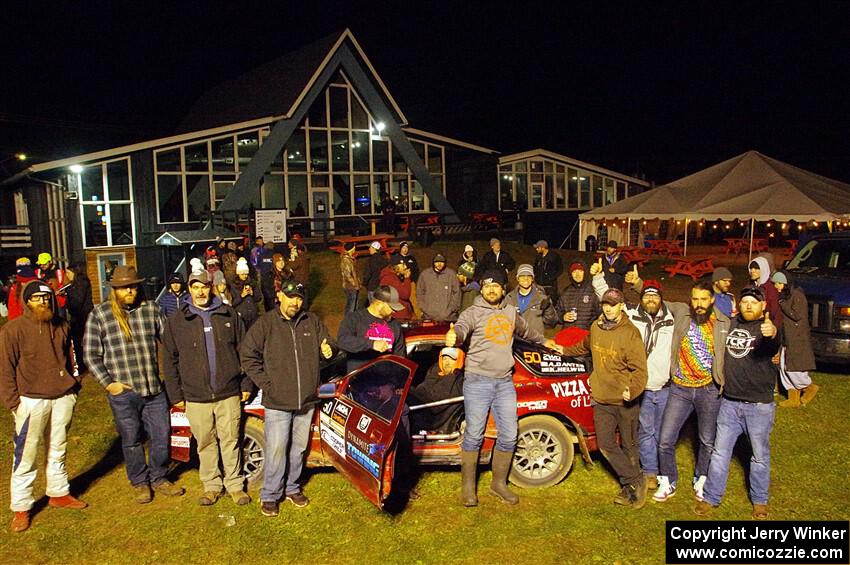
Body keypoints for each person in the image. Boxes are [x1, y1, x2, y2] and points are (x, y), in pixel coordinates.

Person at [447, 269, 563, 507]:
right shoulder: (472, 312)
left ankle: (498, 484)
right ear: (482, 289)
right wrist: (454, 335)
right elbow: (461, 328)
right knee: (474, 434)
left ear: (502, 290)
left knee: (509, 435)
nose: (491, 289)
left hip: (504, 383)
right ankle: (468, 488)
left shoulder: (511, 313)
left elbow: (527, 331)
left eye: (496, 286)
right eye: (487, 286)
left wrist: (545, 341)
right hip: (478, 380)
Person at [83, 265, 185, 503]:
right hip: (123, 392)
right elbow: (90, 354)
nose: (129, 290)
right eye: (124, 287)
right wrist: (109, 384)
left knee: (162, 435)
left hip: (153, 388)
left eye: (133, 286)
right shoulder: (100, 314)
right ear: (115, 289)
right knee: (131, 440)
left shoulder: (150, 309)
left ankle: (159, 476)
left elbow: (170, 342)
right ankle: (140, 481)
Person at [240, 280, 335, 516]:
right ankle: (270, 494)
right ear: (280, 296)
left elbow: (329, 347)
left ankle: (292, 487)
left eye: (300, 298)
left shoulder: (311, 321)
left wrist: (328, 351)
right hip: (278, 402)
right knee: (276, 449)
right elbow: (247, 355)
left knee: (299, 449)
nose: (295, 302)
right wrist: (267, 384)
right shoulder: (266, 323)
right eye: (291, 297)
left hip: (306, 401)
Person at [0, 281, 86, 533]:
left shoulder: (62, 325)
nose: (43, 302)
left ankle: (58, 492)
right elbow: (5, 369)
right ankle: (21, 506)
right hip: (31, 400)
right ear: (27, 301)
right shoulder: (13, 330)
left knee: (58, 447)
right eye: (37, 298)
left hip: (62, 396)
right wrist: (13, 402)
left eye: (47, 297)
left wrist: (74, 385)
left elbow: (74, 357)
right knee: (26, 455)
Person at [162, 271, 252, 507]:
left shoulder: (228, 314)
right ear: (189, 289)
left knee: (231, 440)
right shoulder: (177, 322)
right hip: (195, 396)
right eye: (195, 287)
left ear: (211, 287)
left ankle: (235, 485)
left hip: (228, 392)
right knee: (205, 443)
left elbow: (245, 352)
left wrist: (246, 384)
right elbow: (169, 361)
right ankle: (212, 485)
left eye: (204, 287)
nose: (200, 292)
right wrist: (175, 394)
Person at [559, 287, 650, 508]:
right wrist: (563, 350)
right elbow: (585, 345)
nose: (609, 309)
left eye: (613, 305)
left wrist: (633, 389)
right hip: (601, 398)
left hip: (624, 399)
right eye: (606, 304)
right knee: (606, 445)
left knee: (629, 445)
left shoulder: (630, 333)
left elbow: (640, 370)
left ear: (621, 306)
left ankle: (629, 487)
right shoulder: (596, 327)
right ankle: (636, 480)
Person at [695, 287, 779, 520]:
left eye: (754, 302)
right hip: (729, 403)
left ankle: (760, 501)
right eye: (745, 302)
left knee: (759, 455)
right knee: (720, 453)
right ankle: (712, 497)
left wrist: (771, 333)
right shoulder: (730, 324)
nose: (749, 305)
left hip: (759, 406)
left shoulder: (768, 329)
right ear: (738, 305)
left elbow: (773, 346)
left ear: (763, 306)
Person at [593, 268, 677, 492]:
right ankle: (649, 472)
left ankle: (663, 472)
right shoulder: (632, 314)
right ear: (641, 299)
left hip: (665, 385)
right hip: (642, 388)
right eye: (647, 296)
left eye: (655, 296)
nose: (651, 299)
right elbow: (610, 300)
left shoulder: (673, 317)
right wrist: (598, 276)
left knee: (664, 435)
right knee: (645, 432)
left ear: (661, 298)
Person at [653, 280, 730, 503]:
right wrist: (638, 283)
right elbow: (656, 300)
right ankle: (668, 480)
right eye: (695, 299)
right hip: (680, 388)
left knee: (707, 440)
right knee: (665, 439)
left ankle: (702, 478)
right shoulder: (682, 313)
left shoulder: (723, 322)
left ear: (712, 300)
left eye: (703, 299)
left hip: (709, 389)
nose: (698, 304)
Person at [771, 271, 818, 407]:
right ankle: (794, 398)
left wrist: (782, 303)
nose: (776, 286)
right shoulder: (786, 295)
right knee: (784, 367)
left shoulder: (797, 295)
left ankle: (808, 387)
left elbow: (796, 314)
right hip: (788, 338)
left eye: (779, 283)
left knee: (795, 368)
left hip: (797, 339)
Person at [337, 285, 407, 372]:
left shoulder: (395, 325)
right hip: (360, 381)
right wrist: (372, 344)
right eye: (392, 308)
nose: (394, 311)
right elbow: (342, 341)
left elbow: (400, 358)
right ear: (379, 304)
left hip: (386, 383)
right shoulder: (355, 318)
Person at [409, 348, 466, 434]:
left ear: (459, 361)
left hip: (432, 420)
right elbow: (422, 391)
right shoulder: (433, 374)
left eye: (452, 359)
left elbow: (435, 400)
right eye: (444, 358)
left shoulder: (460, 382)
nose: (447, 362)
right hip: (418, 412)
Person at [505, 264, 558, 334]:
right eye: (522, 276)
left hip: (535, 341)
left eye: (529, 276)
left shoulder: (542, 298)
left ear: (532, 278)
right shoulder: (510, 298)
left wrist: (548, 308)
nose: (525, 279)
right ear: (517, 278)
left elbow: (551, 324)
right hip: (515, 340)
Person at [63, 263, 94, 372]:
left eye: (68, 273)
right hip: (79, 318)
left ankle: (84, 365)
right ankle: (83, 364)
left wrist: (67, 295)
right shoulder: (76, 284)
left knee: (83, 342)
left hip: (82, 317)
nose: (66, 275)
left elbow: (76, 303)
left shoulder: (80, 284)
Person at [417, 253, 461, 322]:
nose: (439, 264)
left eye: (441, 262)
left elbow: (457, 293)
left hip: (448, 318)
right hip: (429, 317)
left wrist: (451, 310)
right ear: (433, 263)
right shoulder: (425, 275)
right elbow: (420, 292)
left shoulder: (451, 274)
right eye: (437, 262)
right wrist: (424, 308)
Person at [557, 260, 600, 330]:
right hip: (568, 333)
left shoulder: (593, 291)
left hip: (587, 334)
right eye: (574, 272)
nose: (577, 275)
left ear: (585, 272)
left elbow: (601, 314)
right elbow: (557, 312)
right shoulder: (566, 292)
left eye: (580, 271)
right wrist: (562, 317)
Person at [747, 256, 782, 327]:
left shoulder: (771, 288)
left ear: (763, 269)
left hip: (768, 325)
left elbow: (774, 310)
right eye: (751, 268)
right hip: (753, 324)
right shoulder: (750, 286)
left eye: (756, 268)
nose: (752, 271)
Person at [230, 258, 262, 328]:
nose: (245, 276)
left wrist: (252, 294)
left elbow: (259, 298)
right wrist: (242, 295)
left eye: (246, 274)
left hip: (253, 315)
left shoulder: (252, 282)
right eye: (242, 274)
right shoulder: (233, 285)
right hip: (241, 316)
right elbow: (232, 303)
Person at [340, 242, 362, 313]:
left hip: (351, 286)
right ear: (352, 249)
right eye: (354, 247)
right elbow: (348, 275)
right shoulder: (346, 260)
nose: (355, 248)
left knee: (353, 304)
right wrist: (355, 284)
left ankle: (352, 319)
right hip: (350, 287)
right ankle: (350, 320)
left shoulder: (349, 259)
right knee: (351, 306)